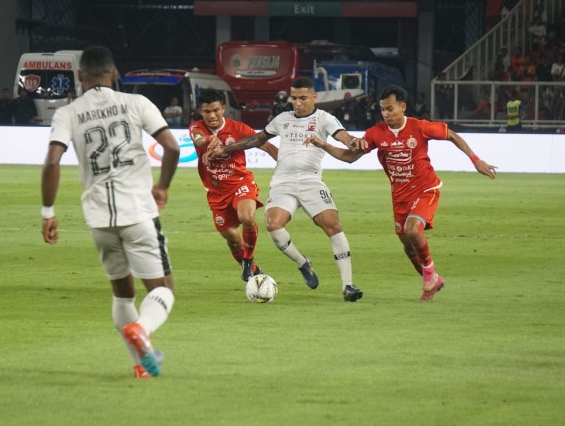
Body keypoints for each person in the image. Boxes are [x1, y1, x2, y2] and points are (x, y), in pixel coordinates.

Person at [40, 45, 180, 379]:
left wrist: (48, 211)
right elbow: (172, 147)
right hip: (138, 211)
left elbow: (53, 160)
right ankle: (143, 330)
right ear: (114, 73)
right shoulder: (137, 103)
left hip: (99, 218)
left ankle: (140, 362)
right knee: (163, 288)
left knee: (122, 293)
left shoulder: (68, 113)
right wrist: (162, 185)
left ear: (79, 76)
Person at [303, 85, 497, 301]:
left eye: (391, 109)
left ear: (403, 107)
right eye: (383, 110)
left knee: (413, 230)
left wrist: (475, 160)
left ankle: (430, 274)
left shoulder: (419, 127)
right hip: (400, 196)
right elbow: (349, 156)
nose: (386, 114)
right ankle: (432, 282)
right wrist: (323, 145)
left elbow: (451, 135)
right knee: (408, 246)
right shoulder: (375, 133)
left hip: (426, 189)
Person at [208, 76, 364, 302]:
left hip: (311, 180)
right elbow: (258, 138)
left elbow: (345, 137)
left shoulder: (324, 119)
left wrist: (354, 141)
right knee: (273, 225)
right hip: (283, 181)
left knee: (332, 225)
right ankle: (303, 262)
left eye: (303, 98)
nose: (298, 103)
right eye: (294, 98)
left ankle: (348, 285)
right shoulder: (283, 119)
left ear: (314, 97)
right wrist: (228, 148)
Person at [189, 88, 278, 282]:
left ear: (223, 108)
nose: (211, 116)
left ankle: (248, 261)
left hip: (240, 182)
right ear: (200, 112)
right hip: (216, 192)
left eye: (215, 110)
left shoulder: (238, 128)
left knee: (246, 217)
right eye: (206, 112)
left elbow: (265, 145)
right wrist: (211, 138)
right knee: (233, 240)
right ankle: (252, 269)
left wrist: (285, 162)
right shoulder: (196, 128)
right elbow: (198, 139)